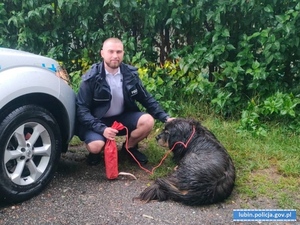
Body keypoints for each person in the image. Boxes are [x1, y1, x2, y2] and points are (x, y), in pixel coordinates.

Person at [76, 37, 173, 166]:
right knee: (95, 146)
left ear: (123, 53)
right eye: (111, 52)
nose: (115, 56)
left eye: (119, 52)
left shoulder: (130, 74)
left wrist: (166, 118)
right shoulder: (91, 78)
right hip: (97, 120)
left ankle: (128, 148)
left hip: (122, 118)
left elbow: (146, 98)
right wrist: (102, 129)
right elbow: (82, 110)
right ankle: (96, 153)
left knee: (148, 121)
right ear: (102, 53)